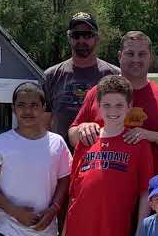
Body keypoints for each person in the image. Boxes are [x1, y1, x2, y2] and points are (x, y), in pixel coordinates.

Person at [69, 31, 158, 175]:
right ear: (119, 56)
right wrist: (82, 129)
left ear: (150, 58)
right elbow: (72, 136)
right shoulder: (98, 92)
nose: (136, 59)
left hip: (151, 192)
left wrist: (155, 136)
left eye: (142, 54)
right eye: (130, 53)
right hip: (104, 189)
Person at [61, 75, 154, 236]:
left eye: (119, 105)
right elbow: (74, 194)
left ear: (129, 107)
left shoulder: (138, 144)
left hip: (113, 234)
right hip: (77, 233)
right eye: (107, 105)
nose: (113, 111)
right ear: (98, 106)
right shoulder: (86, 141)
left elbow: (144, 194)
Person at [0, 82, 71, 236]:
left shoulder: (57, 143)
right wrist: (15, 212)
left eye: (34, 105)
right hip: (5, 233)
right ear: (13, 108)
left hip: (46, 234)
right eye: (21, 105)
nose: (28, 111)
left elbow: (65, 180)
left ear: (44, 107)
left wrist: (54, 209)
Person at [43, 12, 120, 149]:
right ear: (69, 38)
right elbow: (44, 122)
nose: (81, 40)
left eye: (87, 35)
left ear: (96, 38)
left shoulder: (114, 75)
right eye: (76, 35)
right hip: (61, 159)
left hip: (103, 156)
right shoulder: (51, 76)